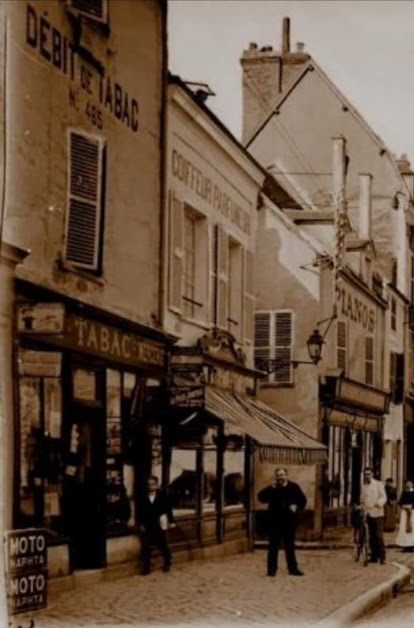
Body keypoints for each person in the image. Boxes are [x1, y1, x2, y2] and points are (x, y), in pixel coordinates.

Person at [257, 467, 307, 577]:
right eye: (278, 475)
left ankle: (293, 569)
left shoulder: (294, 487)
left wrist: (297, 506)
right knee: (273, 546)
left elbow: (303, 500)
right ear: (275, 477)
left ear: (286, 476)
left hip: (289, 522)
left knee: (289, 546)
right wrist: (270, 488)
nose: (280, 477)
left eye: (282, 475)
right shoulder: (272, 488)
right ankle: (271, 570)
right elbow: (261, 498)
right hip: (274, 522)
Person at [138, 476, 175, 575]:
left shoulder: (163, 497)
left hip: (160, 523)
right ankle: (146, 567)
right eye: (148, 484)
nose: (150, 487)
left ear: (157, 485)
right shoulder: (142, 497)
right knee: (146, 546)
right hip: (148, 524)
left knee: (163, 545)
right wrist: (141, 524)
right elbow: (140, 512)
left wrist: (171, 521)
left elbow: (168, 510)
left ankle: (167, 561)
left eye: (153, 484)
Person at [360, 467, 387, 564]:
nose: (367, 476)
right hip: (368, 513)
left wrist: (378, 504)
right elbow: (362, 499)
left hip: (378, 513)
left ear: (372, 474)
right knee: (371, 536)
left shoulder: (379, 484)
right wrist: (362, 507)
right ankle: (374, 556)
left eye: (369, 474)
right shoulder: (364, 487)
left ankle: (382, 557)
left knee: (379, 535)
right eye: (365, 474)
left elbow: (383, 497)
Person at [396, 479, 414, 552]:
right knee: (404, 528)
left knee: (412, 527)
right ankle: (406, 545)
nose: (408, 485)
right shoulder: (404, 492)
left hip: (412, 512)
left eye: (410, 483)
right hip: (405, 512)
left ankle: (412, 544)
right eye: (407, 483)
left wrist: (411, 507)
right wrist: (403, 506)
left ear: (412, 484)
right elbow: (400, 502)